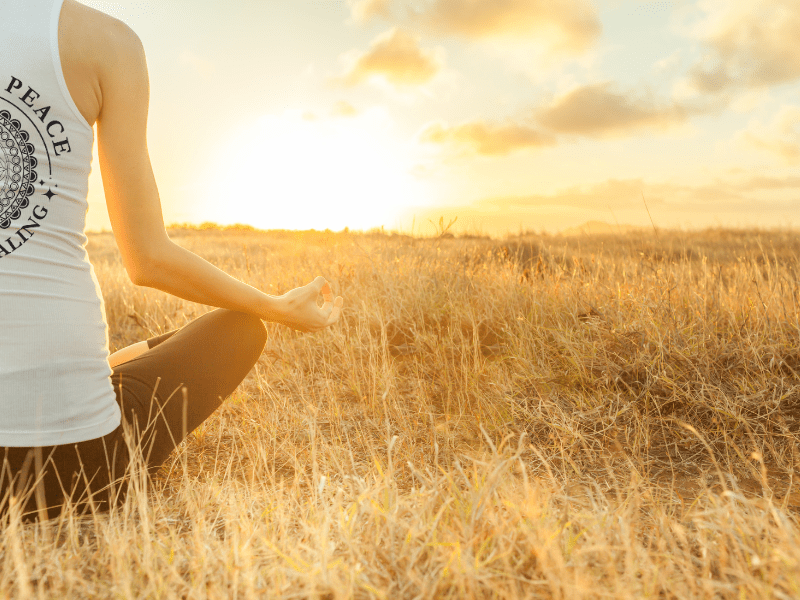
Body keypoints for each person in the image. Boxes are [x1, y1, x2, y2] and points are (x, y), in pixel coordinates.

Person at [0, 0, 343, 522]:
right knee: (237, 331)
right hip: (77, 471)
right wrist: (276, 306)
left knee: (154, 347)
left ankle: (101, 368)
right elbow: (148, 259)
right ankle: (95, 374)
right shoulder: (107, 43)